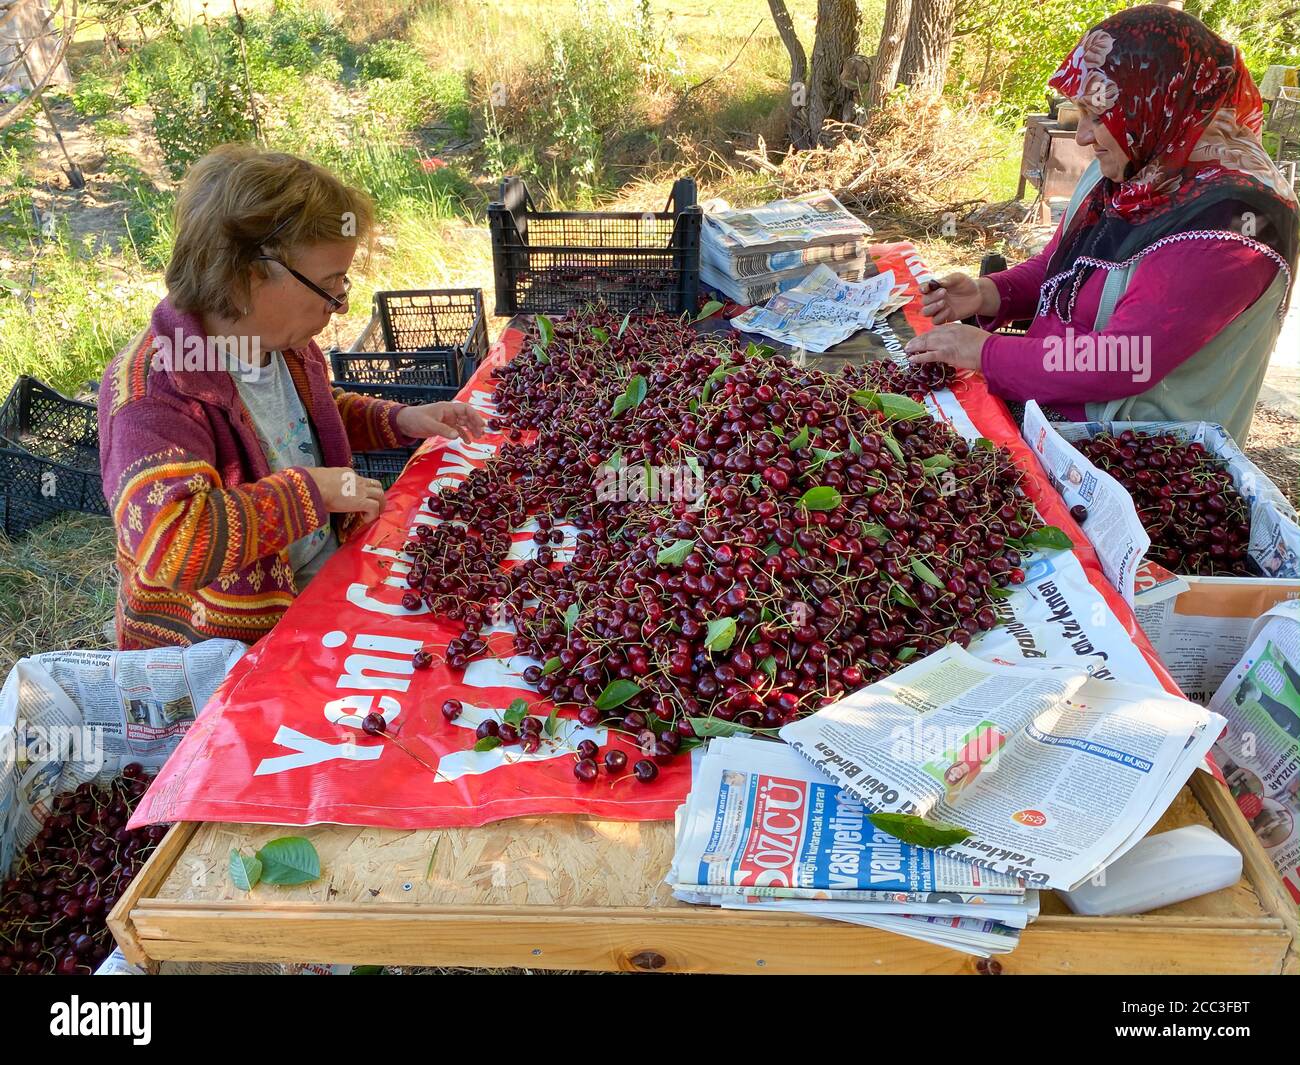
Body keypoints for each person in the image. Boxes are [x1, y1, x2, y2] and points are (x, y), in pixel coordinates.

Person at [99, 145, 486, 650]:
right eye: (329, 285)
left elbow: (313, 418)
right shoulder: (158, 390)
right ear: (250, 273)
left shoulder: (282, 345)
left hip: (312, 590)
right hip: (229, 648)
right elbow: (169, 544)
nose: (341, 303)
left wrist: (402, 419)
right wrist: (313, 494)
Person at [906, 6, 1299, 443]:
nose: (1083, 138)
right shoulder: (1141, 164)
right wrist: (990, 293)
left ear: (1156, 104)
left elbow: (1124, 358)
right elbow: (1065, 265)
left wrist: (986, 352)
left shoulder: (1237, 223)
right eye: (1081, 114)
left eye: (1098, 116)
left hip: (1142, 461)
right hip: (1056, 416)